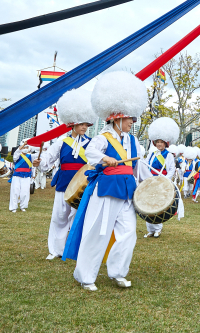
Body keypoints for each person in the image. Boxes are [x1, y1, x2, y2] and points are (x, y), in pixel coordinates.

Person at [63, 71, 147, 291]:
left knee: (128, 232)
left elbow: (139, 167)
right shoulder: (102, 137)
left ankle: (118, 272)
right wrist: (104, 158)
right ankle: (85, 276)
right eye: (130, 118)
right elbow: (89, 153)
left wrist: (154, 183)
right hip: (106, 189)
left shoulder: (133, 141)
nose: (133, 122)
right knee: (98, 232)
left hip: (127, 191)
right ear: (118, 117)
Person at [38, 89, 96, 260]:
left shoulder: (93, 144)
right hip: (64, 183)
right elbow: (46, 163)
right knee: (59, 217)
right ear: (72, 123)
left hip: (83, 184)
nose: (84, 127)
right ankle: (55, 250)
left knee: (79, 218)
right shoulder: (61, 141)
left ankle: (75, 250)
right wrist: (39, 163)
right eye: (81, 124)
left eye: (87, 124)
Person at [141, 117, 179, 237]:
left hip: (161, 181)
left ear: (165, 143)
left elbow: (171, 169)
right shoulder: (152, 154)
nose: (159, 144)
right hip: (150, 180)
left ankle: (158, 228)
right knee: (148, 204)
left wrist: (164, 181)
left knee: (158, 204)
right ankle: (150, 229)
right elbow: (146, 166)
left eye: (161, 142)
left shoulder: (168, 155)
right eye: (157, 142)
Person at [9, 141, 40, 212]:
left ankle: (23, 206)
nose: (25, 148)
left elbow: (39, 155)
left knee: (25, 192)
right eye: (24, 147)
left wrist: (40, 147)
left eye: (27, 147)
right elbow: (16, 154)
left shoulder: (31, 156)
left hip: (26, 176)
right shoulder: (17, 155)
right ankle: (13, 207)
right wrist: (23, 145)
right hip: (17, 176)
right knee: (15, 191)